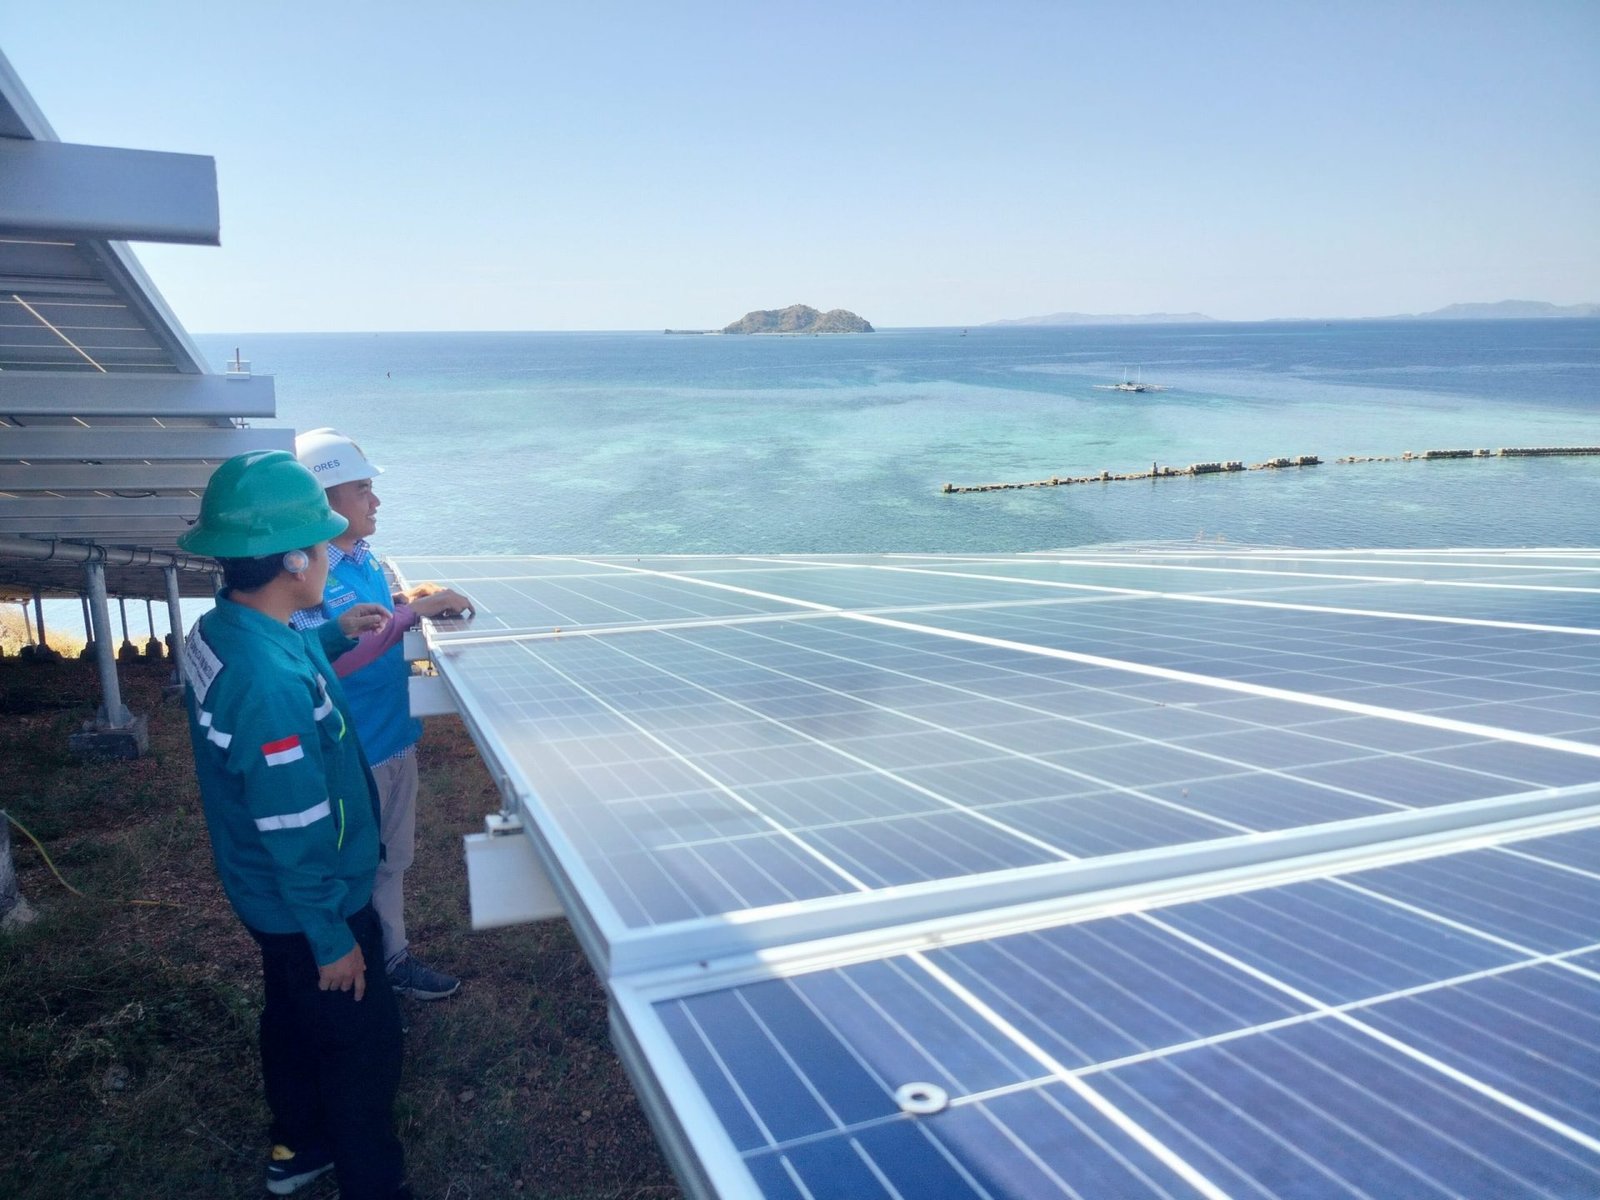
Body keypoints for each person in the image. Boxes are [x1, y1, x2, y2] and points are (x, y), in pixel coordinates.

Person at [176, 450, 409, 1198]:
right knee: (361, 1049)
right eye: (320, 540)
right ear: (294, 560)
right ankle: (373, 1182)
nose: (329, 551)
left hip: (264, 894)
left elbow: (283, 649)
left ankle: (299, 1146)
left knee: (292, 1016)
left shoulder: (223, 631)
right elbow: (293, 820)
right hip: (314, 898)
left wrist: (333, 633)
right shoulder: (270, 686)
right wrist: (332, 937)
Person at [291, 427, 474, 1002]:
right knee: (357, 867)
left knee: (392, 860)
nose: (376, 501)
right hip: (356, 753)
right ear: (326, 501)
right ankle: (359, 972)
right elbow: (333, 656)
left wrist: (403, 603)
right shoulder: (308, 570)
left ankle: (388, 960)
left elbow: (370, 616)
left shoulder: (360, 558)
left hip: (393, 738)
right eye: (363, 490)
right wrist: (417, 612)